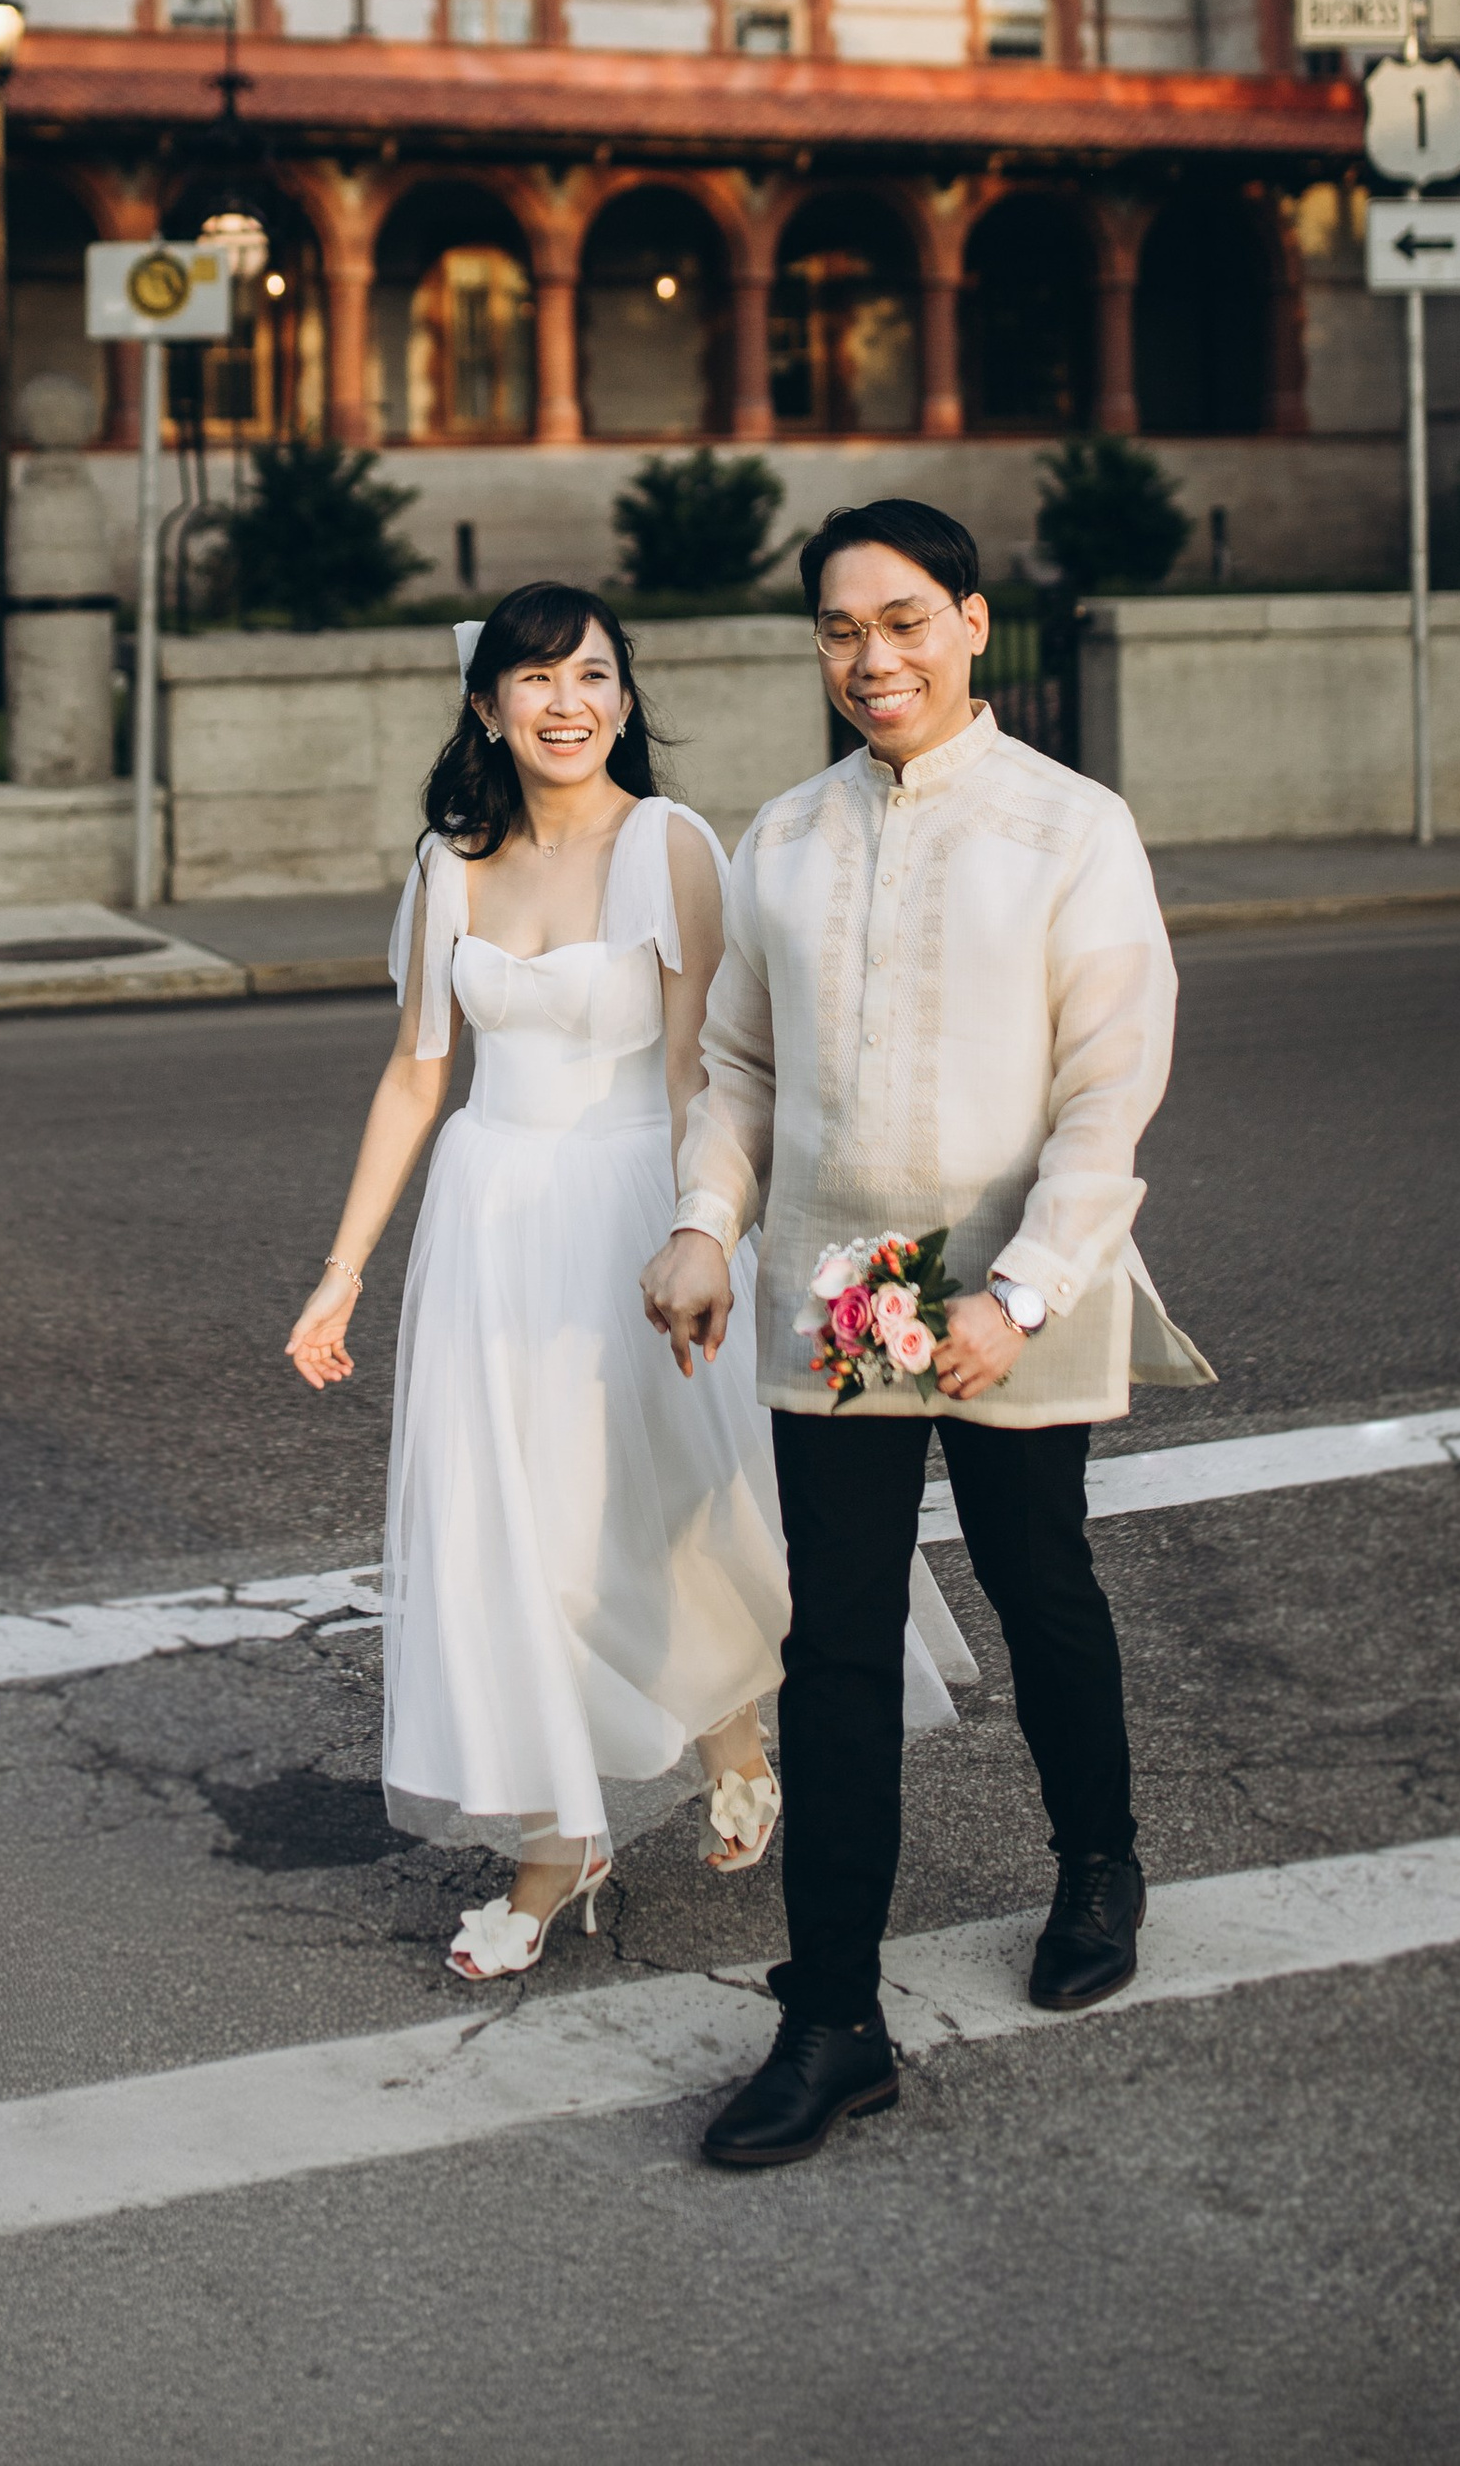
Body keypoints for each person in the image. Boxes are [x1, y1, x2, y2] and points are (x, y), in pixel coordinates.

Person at [287, 579, 967, 1983]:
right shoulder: (447, 865)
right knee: (511, 1529)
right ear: (487, 706)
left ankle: (729, 1731)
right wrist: (342, 1272)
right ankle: (560, 1840)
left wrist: (704, 1234)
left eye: (594, 675)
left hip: (635, 1209)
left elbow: (696, 1069)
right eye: (535, 680)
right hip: (489, 1221)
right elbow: (418, 1081)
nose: (567, 703)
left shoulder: (669, 843)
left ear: (626, 698)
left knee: (671, 1503)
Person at [642, 496, 1210, 2169]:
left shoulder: (1070, 827)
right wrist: (702, 1223)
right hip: (839, 1284)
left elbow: (1112, 1089)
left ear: (969, 623)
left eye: (901, 622)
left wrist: (1020, 1291)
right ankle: (833, 2020)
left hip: (1014, 1271)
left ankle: (1097, 1860)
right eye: (838, 631)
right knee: (830, 1646)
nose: (870, 658)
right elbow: (737, 1070)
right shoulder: (789, 836)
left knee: (1041, 1586)